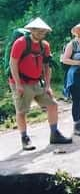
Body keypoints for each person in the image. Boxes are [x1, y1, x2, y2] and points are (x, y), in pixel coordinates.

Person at [8, 18, 72, 151]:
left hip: (37, 82)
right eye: (39, 30)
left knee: (53, 105)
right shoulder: (20, 43)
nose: (41, 33)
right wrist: (18, 85)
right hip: (21, 82)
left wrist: (47, 85)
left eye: (44, 31)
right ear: (31, 30)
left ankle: (54, 134)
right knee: (22, 111)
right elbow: (12, 63)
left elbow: (46, 66)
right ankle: (24, 138)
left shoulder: (45, 45)